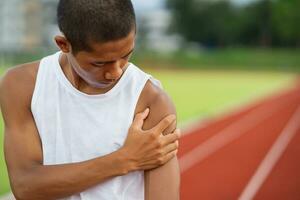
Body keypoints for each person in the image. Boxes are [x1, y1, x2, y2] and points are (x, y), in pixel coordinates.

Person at [0, 0, 180, 199]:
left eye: (126, 55)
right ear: (64, 44)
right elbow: (25, 187)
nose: (115, 72)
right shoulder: (22, 86)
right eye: (100, 63)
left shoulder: (152, 101)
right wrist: (125, 159)